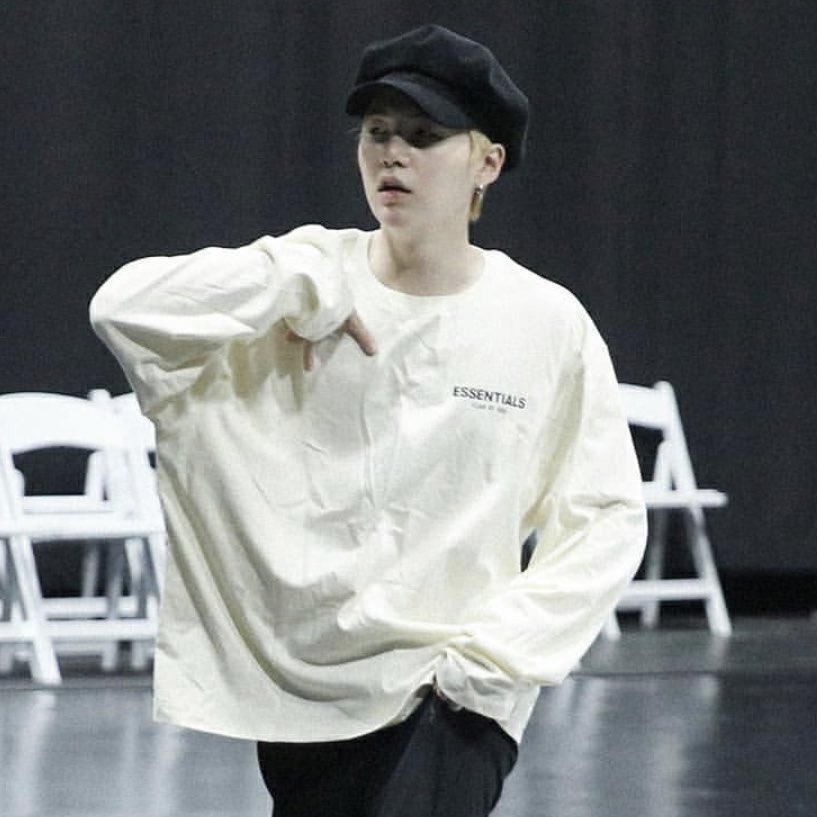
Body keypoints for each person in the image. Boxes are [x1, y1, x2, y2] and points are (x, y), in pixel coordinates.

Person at [90, 23, 647, 817]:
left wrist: (492, 661)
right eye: (378, 132)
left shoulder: (541, 320)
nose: (393, 154)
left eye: (424, 135)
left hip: (450, 697)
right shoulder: (310, 278)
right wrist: (296, 283)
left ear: (487, 162)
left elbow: (605, 514)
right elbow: (124, 308)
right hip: (308, 692)